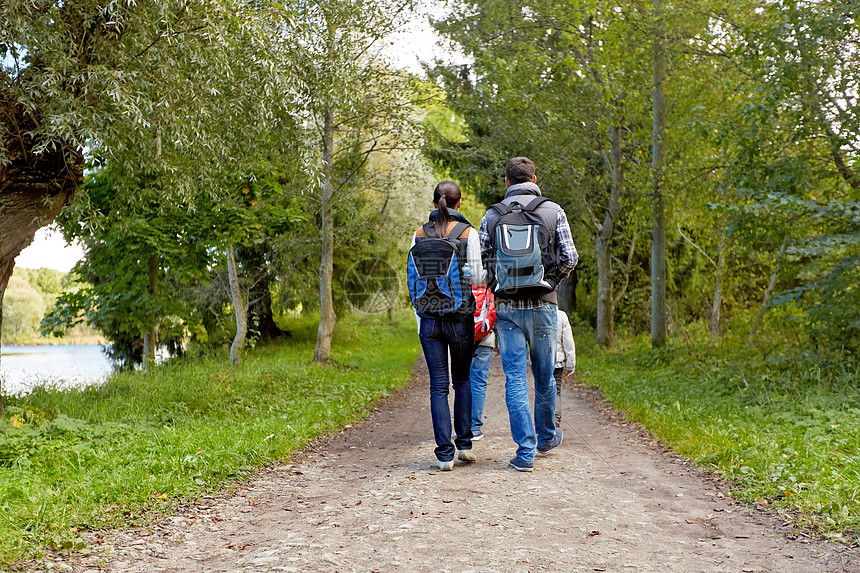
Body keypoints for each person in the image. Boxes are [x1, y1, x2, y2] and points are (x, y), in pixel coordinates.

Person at [479, 157, 578, 472]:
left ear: (506, 182)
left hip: (508, 309)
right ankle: (547, 438)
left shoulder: (492, 215)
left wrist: (500, 284)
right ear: (535, 179)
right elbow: (570, 257)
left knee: (515, 379)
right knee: (545, 376)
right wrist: (550, 282)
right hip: (545, 306)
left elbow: (480, 266)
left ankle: (525, 453)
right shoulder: (553, 211)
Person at [409, 180, 486, 471]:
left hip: (429, 319)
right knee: (463, 380)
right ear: (459, 203)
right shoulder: (469, 233)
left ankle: (444, 455)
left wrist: (421, 317)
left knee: (438, 386)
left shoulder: (418, 234)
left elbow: (415, 280)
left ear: (434, 203)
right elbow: (478, 278)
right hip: (460, 317)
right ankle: (464, 445)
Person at [554, 307, 576, 429]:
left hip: (539, 361)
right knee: (556, 390)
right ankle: (555, 421)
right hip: (557, 361)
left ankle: (542, 424)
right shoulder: (561, 315)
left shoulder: (534, 313)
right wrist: (570, 364)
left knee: (541, 391)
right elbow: (568, 342)